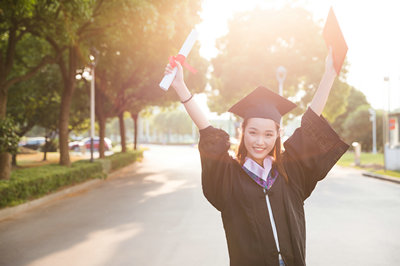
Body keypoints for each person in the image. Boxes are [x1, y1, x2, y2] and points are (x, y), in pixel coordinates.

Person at [164, 48, 349, 266]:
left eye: (268, 134)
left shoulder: (290, 172)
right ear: (242, 131)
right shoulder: (229, 177)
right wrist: (180, 87)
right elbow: (208, 132)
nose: (260, 141)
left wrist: (329, 74)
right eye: (253, 132)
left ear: (278, 135)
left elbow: (310, 124)